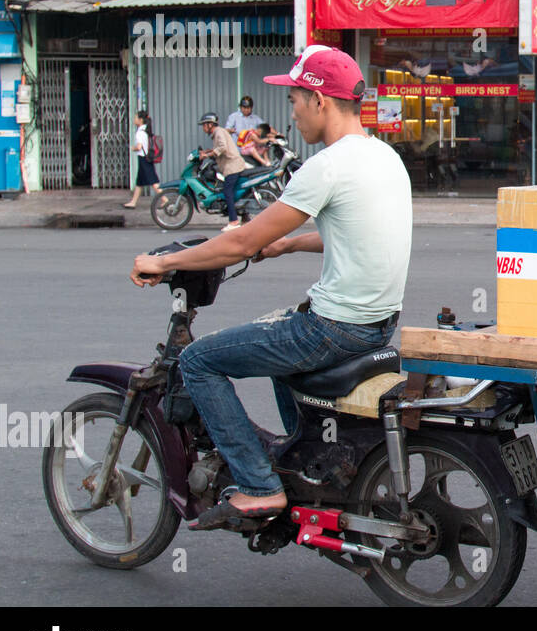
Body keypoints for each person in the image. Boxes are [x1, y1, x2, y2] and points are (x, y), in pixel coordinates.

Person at [130, 46, 413, 529]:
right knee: (280, 342)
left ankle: (260, 487)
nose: (292, 112)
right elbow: (358, 233)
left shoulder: (327, 166)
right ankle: (306, 468)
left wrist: (164, 259)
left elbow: (240, 241)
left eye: (295, 100)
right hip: (376, 325)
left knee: (199, 361)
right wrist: (289, 247)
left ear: (319, 101)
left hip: (333, 329)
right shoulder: (383, 156)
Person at [198, 112, 247, 231]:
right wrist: (208, 152)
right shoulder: (218, 132)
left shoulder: (218, 132)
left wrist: (207, 155)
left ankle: (234, 221)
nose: (204, 128)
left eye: (205, 125)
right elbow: (218, 148)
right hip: (232, 165)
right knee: (232, 191)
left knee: (227, 191)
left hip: (232, 166)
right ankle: (245, 217)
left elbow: (222, 147)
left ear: (210, 124)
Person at [123, 110, 161, 208]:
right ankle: (133, 202)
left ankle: (165, 199)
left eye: (135, 118)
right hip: (146, 158)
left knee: (153, 182)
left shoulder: (140, 132)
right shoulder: (146, 130)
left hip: (144, 159)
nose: (134, 119)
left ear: (140, 120)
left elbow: (139, 147)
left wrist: (132, 148)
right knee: (140, 182)